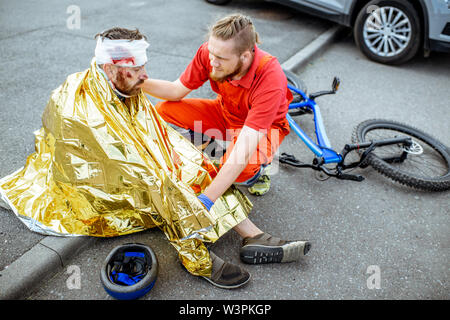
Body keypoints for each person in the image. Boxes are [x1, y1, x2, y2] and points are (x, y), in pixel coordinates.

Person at [0, 26, 309, 291]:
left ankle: (251, 235)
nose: (145, 77)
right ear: (110, 70)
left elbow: (154, 130)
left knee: (195, 163)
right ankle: (196, 257)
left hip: (254, 128)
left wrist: (200, 184)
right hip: (95, 178)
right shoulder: (82, 108)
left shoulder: (121, 84)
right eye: (137, 71)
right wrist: (184, 183)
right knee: (164, 182)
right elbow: (139, 167)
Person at [138, 14, 311, 285]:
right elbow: (174, 91)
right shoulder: (211, 53)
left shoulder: (270, 76)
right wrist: (136, 81)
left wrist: (207, 199)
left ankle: (228, 174)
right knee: (166, 111)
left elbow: (244, 148)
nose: (212, 61)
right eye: (211, 52)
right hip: (225, 112)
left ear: (245, 57)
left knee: (242, 166)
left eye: (220, 58)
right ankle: (251, 233)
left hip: (262, 129)